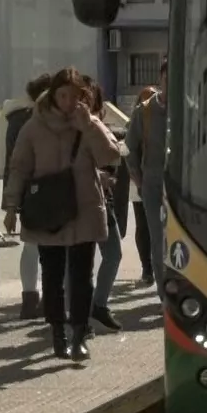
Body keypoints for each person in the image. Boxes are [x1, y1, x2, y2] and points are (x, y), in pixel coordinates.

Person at [3, 69, 123, 361]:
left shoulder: (89, 123)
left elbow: (111, 157)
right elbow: (19, 168)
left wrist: (89, 127)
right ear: (54, 95)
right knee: (53, 274)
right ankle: (58, 332)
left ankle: (79, 335)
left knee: (82, 275)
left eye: (74, 96)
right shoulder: (34, 126)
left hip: (84, 208)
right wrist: (10, 208)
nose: (69, 102)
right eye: (63, 95)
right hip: (48, 210)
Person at [5, 72, 52, 321]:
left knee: (31, 245)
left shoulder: (16, 119)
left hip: (28, 192)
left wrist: (11, 203)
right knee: (48, 247)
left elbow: (11, 164)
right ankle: (43, 299)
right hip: (45, 190)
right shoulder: (38, 121)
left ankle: (29, 299)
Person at [86, 83, 128, 334]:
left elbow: (117, 156)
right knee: (81, 262)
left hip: (104, 202)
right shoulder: (70, 131)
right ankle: (80, 315)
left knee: (113, 253)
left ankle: (98, 305)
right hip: (79, 203)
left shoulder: (103, 130)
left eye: (90, 100)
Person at [125, 60, 169, 293]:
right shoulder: (145, 111)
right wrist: (138, 179)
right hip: (153, 182)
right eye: (168, 79)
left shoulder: (189, 108)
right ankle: (164, 292)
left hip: (182, 183)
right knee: (158, 239)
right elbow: (129, 147)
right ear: (161, 79)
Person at [129, 85, 158, 285]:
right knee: (142, 225)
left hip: (154, 182)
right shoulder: (136, 122)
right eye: (144, 98)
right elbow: (129, 151)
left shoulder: (159, 122)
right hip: (138, 180)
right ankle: (146, 268)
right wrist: (138, 179)